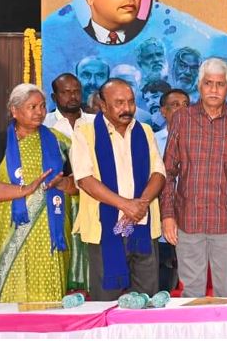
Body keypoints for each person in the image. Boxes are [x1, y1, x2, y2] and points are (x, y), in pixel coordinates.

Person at [160, 57, 227, 298]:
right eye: (208, 83)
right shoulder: (182, 119)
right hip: (188, 218)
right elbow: (168, 171)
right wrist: (168, 216)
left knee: (226, 292)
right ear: (199, 85)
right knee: (191, 292)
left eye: (220, 84)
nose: (214, 89)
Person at [71, 78, 166, 300]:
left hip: (143, 228)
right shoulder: (85, 133)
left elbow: (159, 174)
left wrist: (139, 206)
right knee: (106, 302)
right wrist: (126, 206)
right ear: (103, 106)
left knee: (146, 300)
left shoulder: (145, 131)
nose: (127, 108)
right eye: (119, 103)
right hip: (104, 229)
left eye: (131, 102)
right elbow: (85, 180)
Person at [0, 84, 77, 302]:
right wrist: (24, 190)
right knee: (12, 289)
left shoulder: (59, 141)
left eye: (42, 106)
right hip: (10, 228)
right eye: (32, 107)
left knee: (48, 292)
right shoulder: (1, 142)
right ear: (14, 110)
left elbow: (78, 184)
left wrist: (64, 184)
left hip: (52, 231)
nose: (40, 112)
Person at [43, 73, 95, 291]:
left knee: (91, 251)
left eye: (76, 91)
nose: (72, 96)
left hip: (92, 194)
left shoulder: (95, 122)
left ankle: (90, 293)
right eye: (66, 92)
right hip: (58, 196)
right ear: (54, 97)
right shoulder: (44, 124)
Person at [153, 88, 189, 293]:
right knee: (164, 282)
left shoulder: (200, 140)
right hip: (161, 222)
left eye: (186, 105)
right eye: (175, 105)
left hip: (193, 223)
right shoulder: (152, 141)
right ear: (163, 111)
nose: (182, 110)